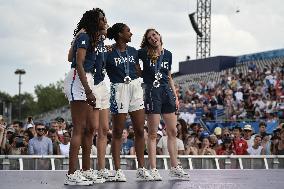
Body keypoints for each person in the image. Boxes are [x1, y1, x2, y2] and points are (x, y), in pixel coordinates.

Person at [63, 8, 107, 186]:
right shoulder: (85, 35)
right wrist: (88, 90)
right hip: (78, 78)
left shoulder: (94, 37)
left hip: (86, 78)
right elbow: (77, 63)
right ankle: (71, 173)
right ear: (93, 21)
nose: (105, 21)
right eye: (102, 19)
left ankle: (85, 170)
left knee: (89, 128)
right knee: (79, 128)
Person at [139, 28, 188, 180]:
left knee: (173, 131)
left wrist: (176, 96)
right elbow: (134, 66)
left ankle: (174, 167)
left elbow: (169, 76)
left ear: (159, 35)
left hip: (167, 93)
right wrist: (145, 76)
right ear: (147, 41)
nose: (153, 38)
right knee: (153, 133)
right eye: (149, 37)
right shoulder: (143, 53)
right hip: (152, 92)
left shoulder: (168, 54)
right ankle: (153, 169)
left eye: (154, 34)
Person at [105, 23, 153, 181]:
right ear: (120, 34)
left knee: (140, 130)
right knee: (118, 132)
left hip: (135, 87)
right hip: (118, 89)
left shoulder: (133, 51)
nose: (131, 34)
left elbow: (139, 69)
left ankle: (141, 168)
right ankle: (118, 170)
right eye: (128, 31)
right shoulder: (108, 52)